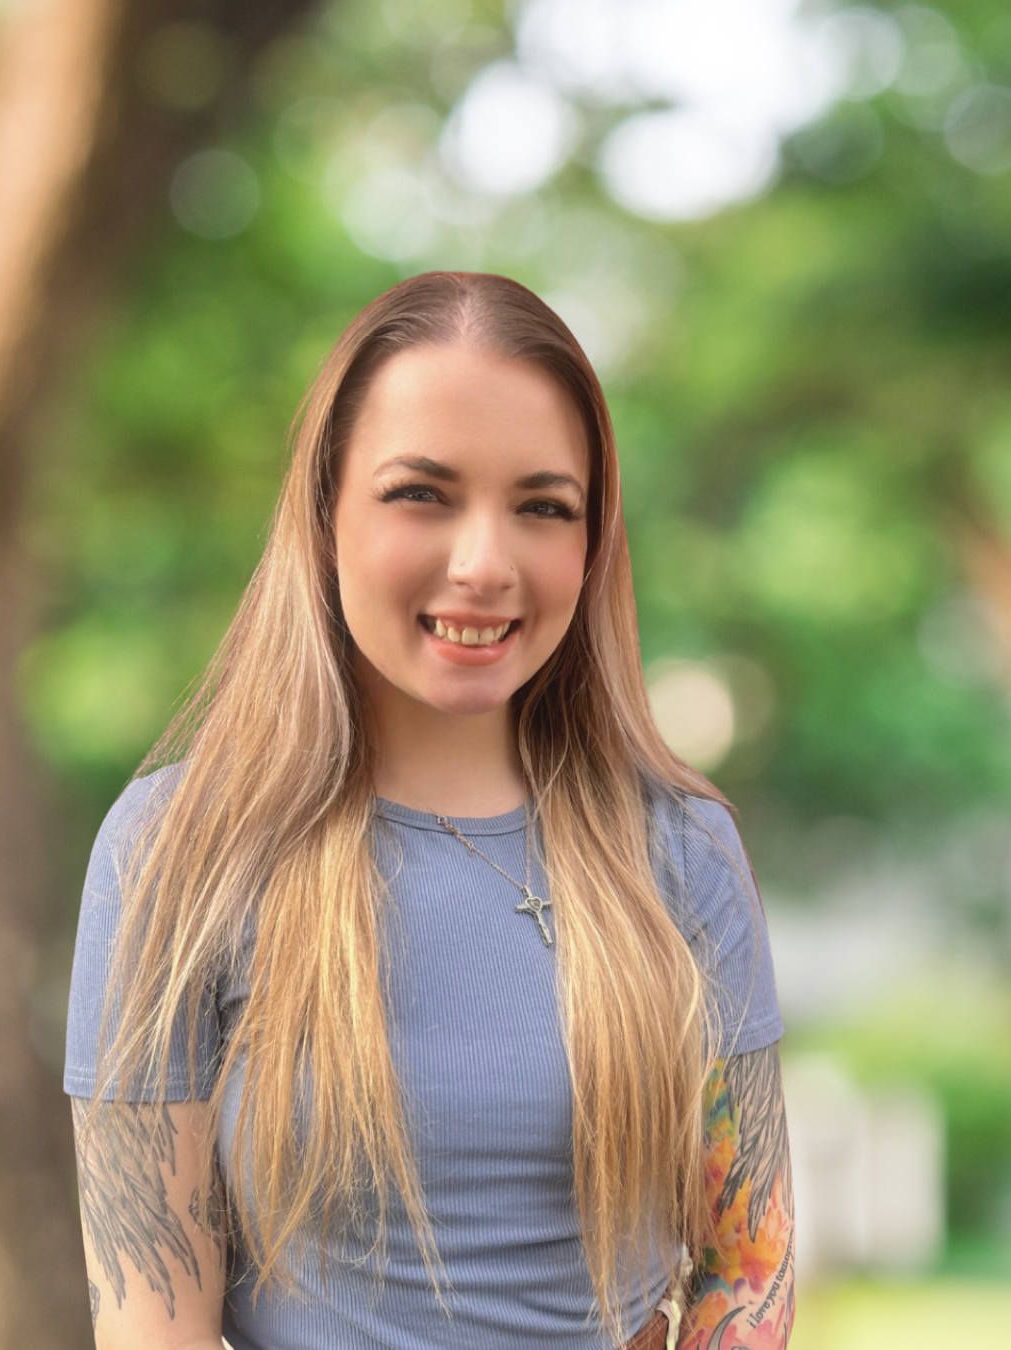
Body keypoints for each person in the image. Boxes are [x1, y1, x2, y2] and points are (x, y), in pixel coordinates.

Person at [64, 271, 794, 1350]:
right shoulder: (176, 852)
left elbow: (749, 1268)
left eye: (544, 507)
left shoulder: (683, 851)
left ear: (591, 546)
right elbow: (149, 1314)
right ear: (324, 512)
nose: (485, 564)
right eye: (423, 493)